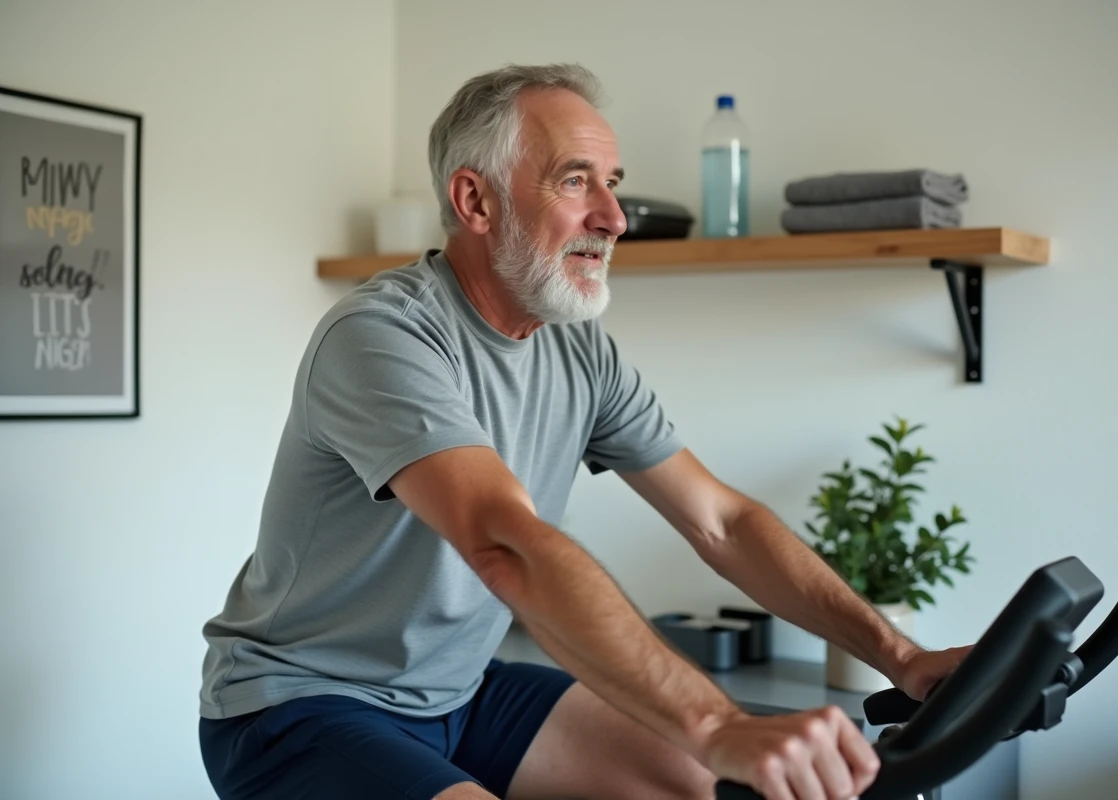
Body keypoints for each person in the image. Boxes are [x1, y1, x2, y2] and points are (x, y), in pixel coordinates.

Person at [197, 63, 970, 800]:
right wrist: (718, 725)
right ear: (476, 201)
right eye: (575, 181)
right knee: (714, 749)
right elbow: (505, 546)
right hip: (300, 704)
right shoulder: (383, 337)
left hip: (461, 689)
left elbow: (723, 522)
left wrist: (901, 657)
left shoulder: (577, 348)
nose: (615, 218)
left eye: (613, 184)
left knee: (712, 785)